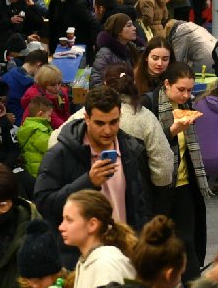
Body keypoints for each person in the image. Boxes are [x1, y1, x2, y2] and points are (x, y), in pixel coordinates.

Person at [33, 85, 151, 266]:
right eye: (100, 123)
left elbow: (139, 205)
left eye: (113, 122)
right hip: (80, 259)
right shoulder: (60, 154)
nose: (108, 131)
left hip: (125, 256)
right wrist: (88, 182)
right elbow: (44, 204)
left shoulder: (131, 149)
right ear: (86, 118)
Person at [144, 62, 211, 282]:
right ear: (167, 84)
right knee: (154, 241)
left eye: (190, 90)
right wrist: (172, 131)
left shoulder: (187, 105)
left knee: (186, 242)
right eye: (181, 89)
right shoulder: (150, 104)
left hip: (183, 184)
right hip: (159, 186)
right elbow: (148, 148)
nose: (186, 95)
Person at [91, 13, 139, 87]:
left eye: (133, 25)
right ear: (118, 31)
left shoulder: (131, 48)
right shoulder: (105, 53)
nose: (134, 28)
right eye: (129, 26)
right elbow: (96, 81)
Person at [20, 63, 71, 129]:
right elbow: (54, 121)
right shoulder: (38, 99)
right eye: (52, 85)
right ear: (43, 84)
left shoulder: (61, 93)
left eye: (59, 83)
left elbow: (66, 114)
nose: (57, 88)